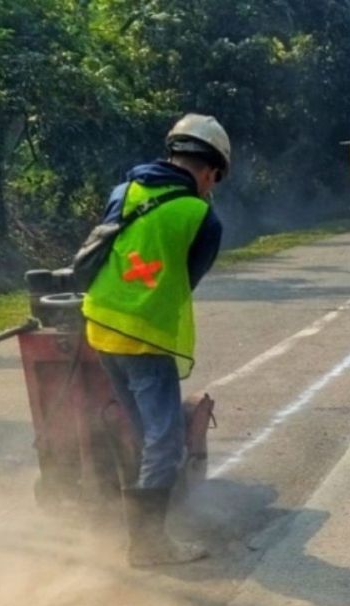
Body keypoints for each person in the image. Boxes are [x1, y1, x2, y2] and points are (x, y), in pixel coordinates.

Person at [82, 113, 230, 566]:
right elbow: (186, 279)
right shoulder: (203, 217)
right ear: (210, 171)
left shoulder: (125, 190)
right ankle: (148, 545)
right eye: (214, 180)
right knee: (165, 442)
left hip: (100, 326)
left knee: (146, 435)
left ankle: (140, 531)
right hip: (143, 339)